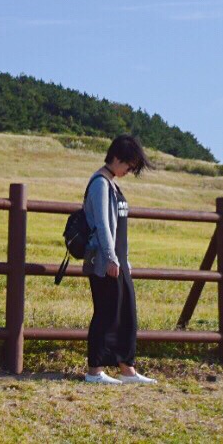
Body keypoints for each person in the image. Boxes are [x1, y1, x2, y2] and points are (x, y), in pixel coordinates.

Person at [83, 134, 156, 384]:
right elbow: (103, 224)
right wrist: (112, 258)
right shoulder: (100, 184)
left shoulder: (112, 183)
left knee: (126, 314)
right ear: (115, 158)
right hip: (105, 264)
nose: (129, 170)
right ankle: (95, 372)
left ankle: (128, 370)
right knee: (106, 314)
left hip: (118, 263)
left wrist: (124, 261)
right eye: (128, 164)